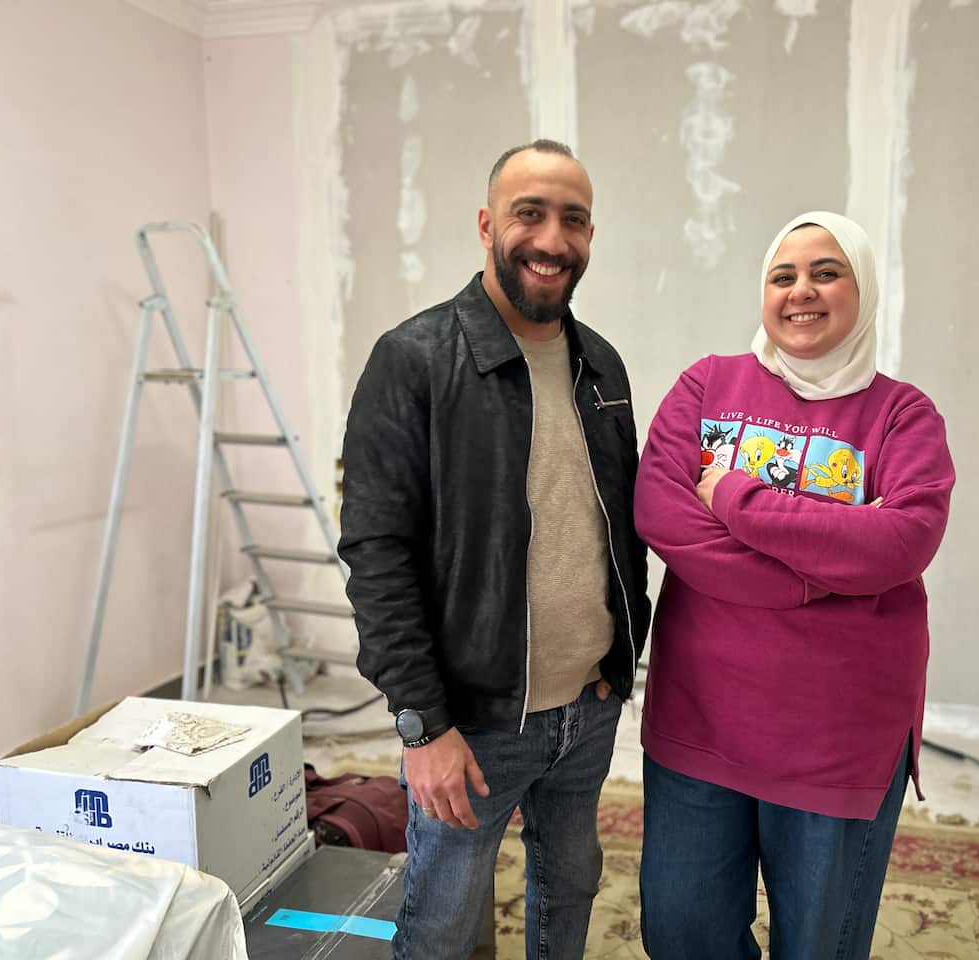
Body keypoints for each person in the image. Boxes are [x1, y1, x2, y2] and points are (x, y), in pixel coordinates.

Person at [338, 139, 651, 960]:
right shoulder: (412, 361)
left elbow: (620, 527)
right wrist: (421, 727)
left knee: (571, 883)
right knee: (443, 919)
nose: (552, 239)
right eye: (530, 214)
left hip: (587, 705)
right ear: (487, 225)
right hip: (472, 724)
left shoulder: (600, 364)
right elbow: (376, 552)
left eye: (573, 220)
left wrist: (620, 664)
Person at [633, 211, 955, 960]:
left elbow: (904, 540)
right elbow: (664, 518)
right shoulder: (706, 384)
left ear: (863, 288)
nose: (801, 290)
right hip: (699, 722)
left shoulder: (904, 415)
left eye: (826, 271)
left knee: (818, 947)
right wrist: (829, 571)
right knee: (682, 935)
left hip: (838, 740)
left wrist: (737, 499)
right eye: (784, 275)